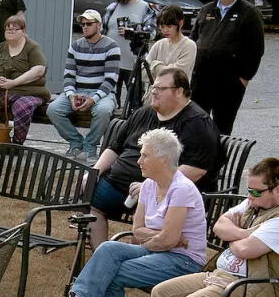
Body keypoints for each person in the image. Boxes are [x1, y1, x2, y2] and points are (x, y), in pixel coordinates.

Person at [43, 129, 208, 297]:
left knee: (112, 272)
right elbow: (138, 231)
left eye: (145, 155)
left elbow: (167, 241)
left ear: (164, 160)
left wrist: (160, 239)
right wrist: (161, 237)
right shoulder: (148, 185)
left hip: (184, 261)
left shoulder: (181, 189)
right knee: (108, 248)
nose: (139, 160)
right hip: (159, 252)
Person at [85, 67, 220, 246]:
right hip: (118, 185)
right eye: (152, 88)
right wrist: (94, 173)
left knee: (147, 218)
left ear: (179, 92)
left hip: (163, 194)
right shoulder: (143, 113)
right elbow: (114, 148)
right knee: (89, 200)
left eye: (160, 89)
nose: (153, 93)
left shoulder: (197, 124)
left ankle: (137, 261)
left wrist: (152, 187)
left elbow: (196, 169)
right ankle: (100, 253)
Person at [151, 157, 279, 297]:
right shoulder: (255, 204)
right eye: (249, 191)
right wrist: (243, 233)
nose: (250, 196)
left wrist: (231, 236)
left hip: (250, 286)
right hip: (220, 275)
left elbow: (244, 250)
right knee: (160, 293)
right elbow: (219, 226)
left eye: (256, 192)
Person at [188, 0, 266, 135]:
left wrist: (244, 78)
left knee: (221, 129)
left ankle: (218, 161)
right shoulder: (207, 10)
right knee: (196, 125)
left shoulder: (249, 13)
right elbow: (193, 40)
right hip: (201, 79)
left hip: (230, 83)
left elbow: (256, 49)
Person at [51, 10, 121, 158]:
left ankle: (90, 146)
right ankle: (75, 142)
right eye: (83, 24)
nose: (85, 27)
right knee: (53, 109)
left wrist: (94, 99)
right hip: (78, 90)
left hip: (102, 93)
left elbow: (110, 79)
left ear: (99, 25)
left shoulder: (111, 46)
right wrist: (71, 95)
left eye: (89, 23)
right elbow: (69, 74)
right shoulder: (75, 46)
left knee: (103, 111)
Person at [0, 13, 49, 145]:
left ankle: (17, 144)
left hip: (26, 92)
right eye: (8, 29)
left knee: (22, 107)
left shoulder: (32, 47)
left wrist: (14, 83)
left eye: (15, 29)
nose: (10, 31)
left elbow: (39, 70)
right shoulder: (0, 47)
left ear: (23, 31)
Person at [104, 0, 155, 78]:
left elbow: (151, 33)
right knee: (111, 95)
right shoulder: (112, 7)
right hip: (112, 64)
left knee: (135, 95)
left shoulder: (145, 7)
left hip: (134, 65)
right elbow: (102, 32)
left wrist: (132, 32)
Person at [145, 3, 197, 85]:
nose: (165, 30)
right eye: (162, 27)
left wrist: (155, 65)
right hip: (154, 94)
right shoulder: (159, 44)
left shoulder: (189, 45)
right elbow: (144, 72)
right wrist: (166, 68)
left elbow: (177, 75)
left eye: (169, 26)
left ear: (180, 24)